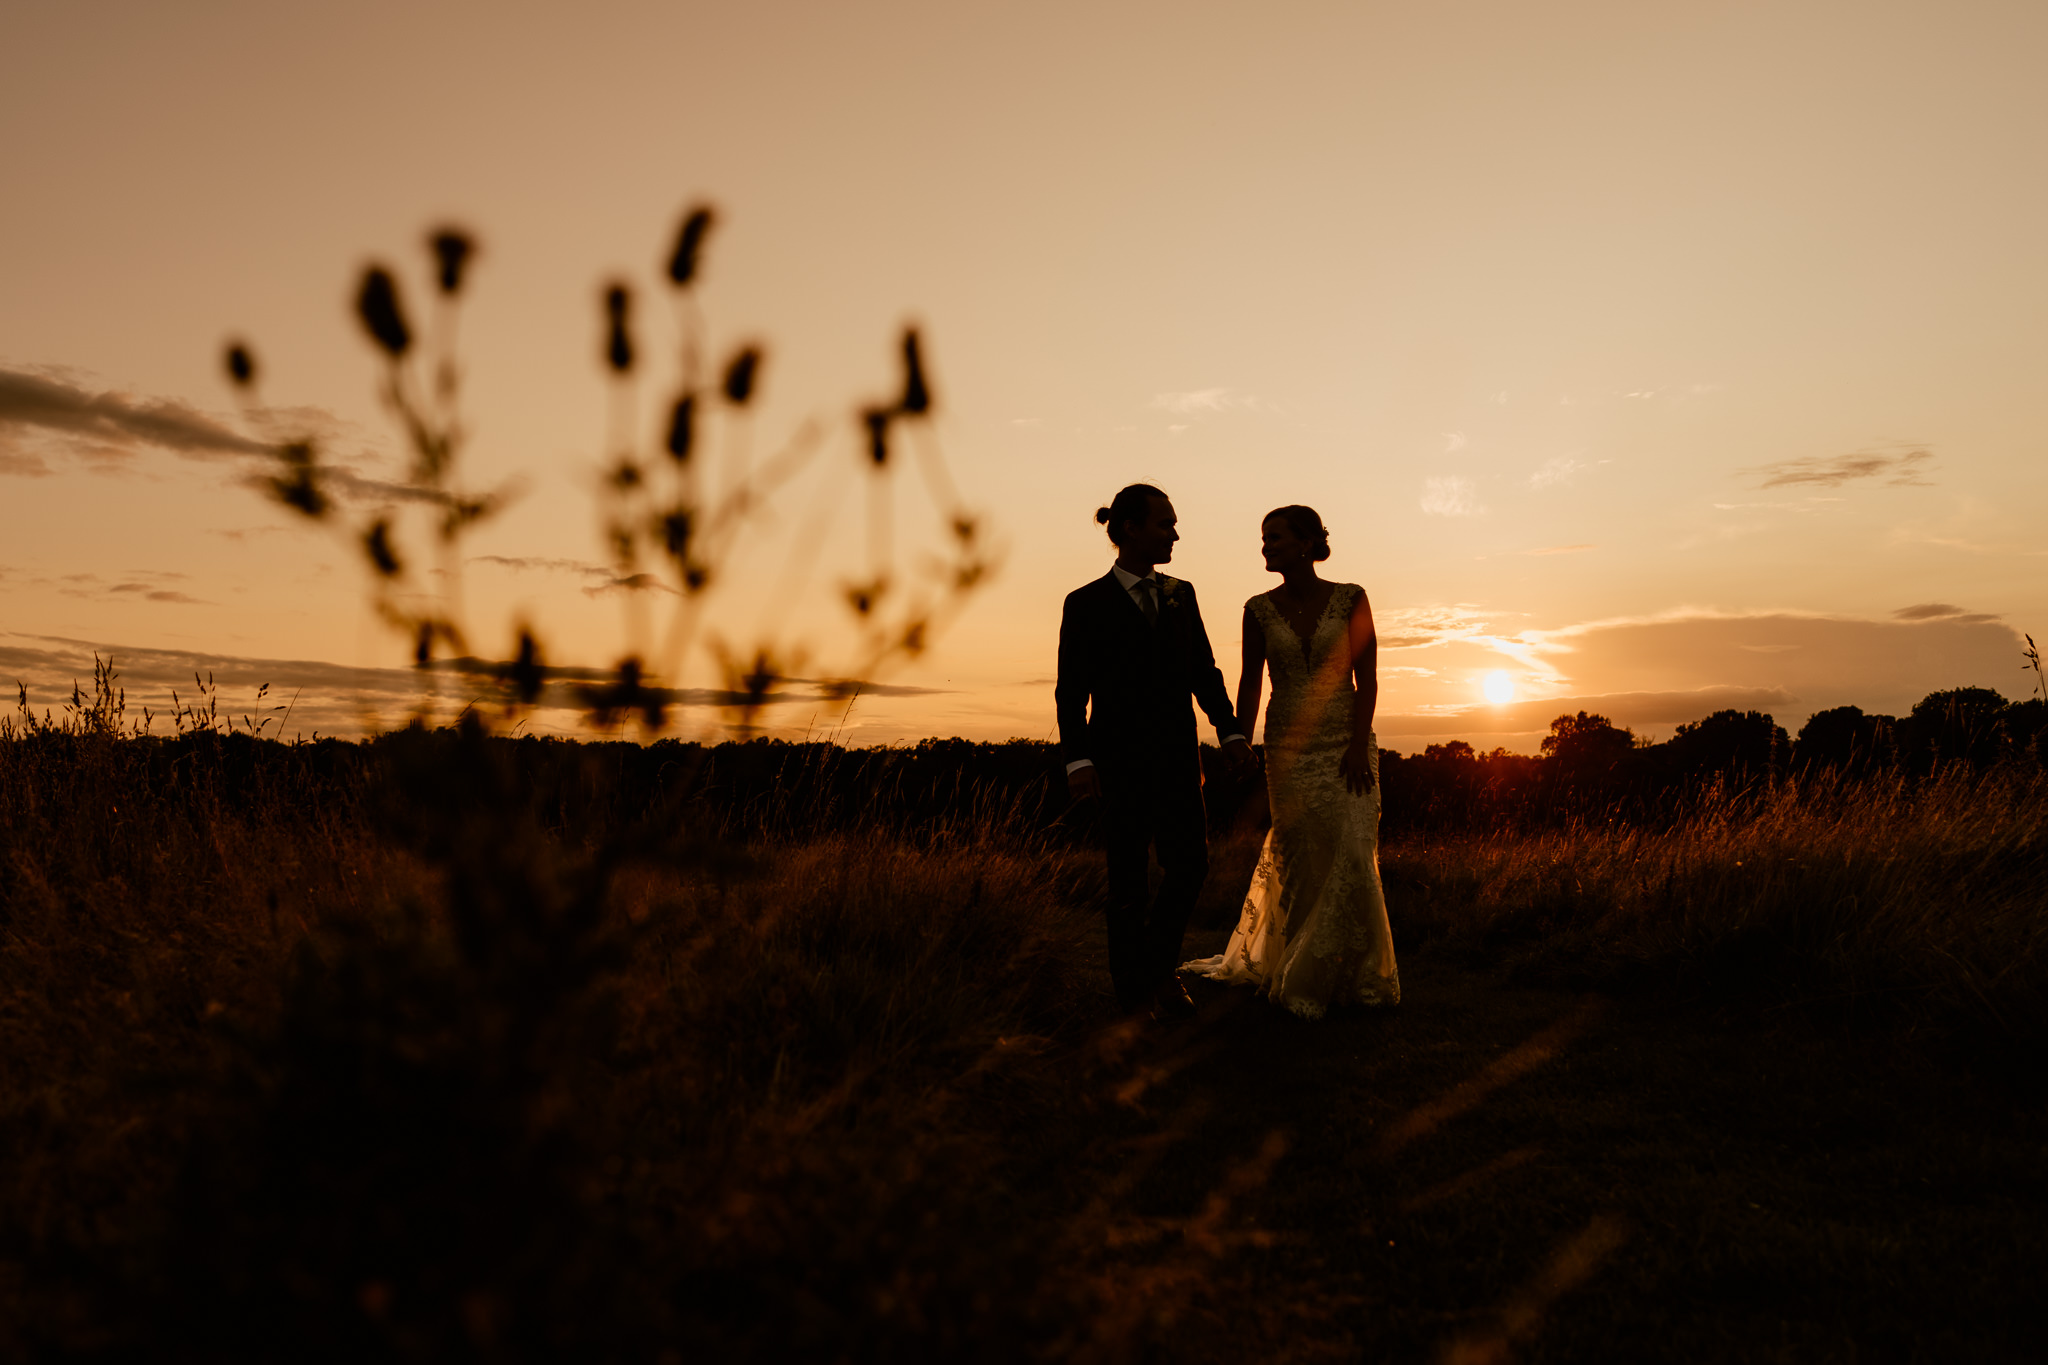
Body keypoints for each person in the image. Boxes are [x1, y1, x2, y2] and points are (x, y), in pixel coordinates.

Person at [1183, 504, 1400, 1018]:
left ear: (1307, 542)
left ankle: (1360, 974)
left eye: (1275, 537)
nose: (1265, 546)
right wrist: (1237, 737)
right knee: (1303, 859)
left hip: (1346, 741)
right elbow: (1251, 682)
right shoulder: (1257, 608)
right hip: (1287, 748)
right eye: (1264, 538)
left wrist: (1355, 743)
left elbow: (1367, 678)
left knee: (1352, 853)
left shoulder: (1352, 598)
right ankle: (1302, 975)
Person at [1057, 484, 1254, 1021]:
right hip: (1116, 762)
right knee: (1127, 879)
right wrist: (1078, 760)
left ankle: (1158, 966)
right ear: (1129, 529)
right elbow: (1071, 691)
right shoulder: (1085, 603)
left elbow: (1203, 671)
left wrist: (1230, 731)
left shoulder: (1180, 593)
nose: (1175, 533)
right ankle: (1136, 994)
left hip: (1177, 758)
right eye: (1165, 523)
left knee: (1191, 865)